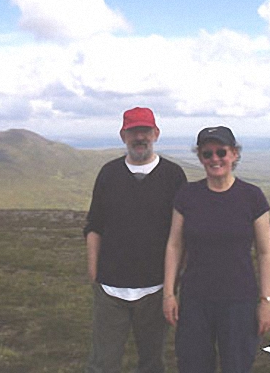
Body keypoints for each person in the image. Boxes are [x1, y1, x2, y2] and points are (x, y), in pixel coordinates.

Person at [163, 126, 270, 373]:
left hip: (239, 302)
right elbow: (175, 244)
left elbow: (266, 253)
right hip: (195, 301)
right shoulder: (187, 196)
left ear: (234, 154)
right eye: (207, 154)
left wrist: (266, 301)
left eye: (221, 152)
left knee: (237, 366)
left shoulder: (252, 197)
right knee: (193, 366)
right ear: (200, 157)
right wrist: (169, 293)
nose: (215, 159)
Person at [84, 107, 187, 373]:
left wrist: (170, 286)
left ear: (156, 133)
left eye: (145, 131)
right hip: (110, 289)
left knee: (152, 363)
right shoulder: (108, 174)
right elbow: (94, 226)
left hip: (155, 289)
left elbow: (179, 236)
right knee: (102, 363)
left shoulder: (174, 176)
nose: (139, 137)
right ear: (123, 135)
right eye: (133, 131)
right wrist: (94, 273)